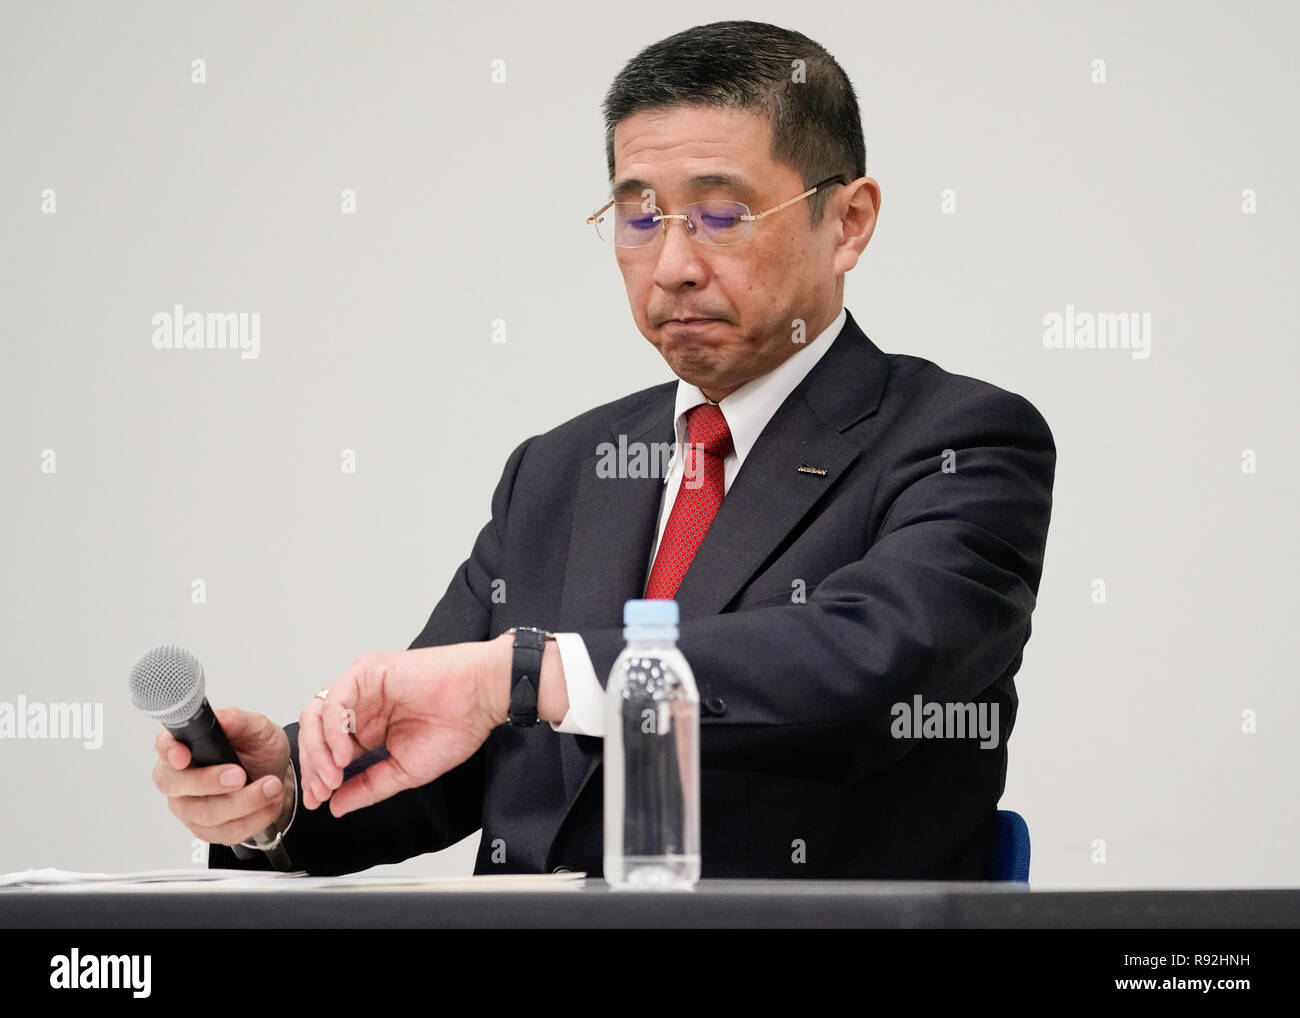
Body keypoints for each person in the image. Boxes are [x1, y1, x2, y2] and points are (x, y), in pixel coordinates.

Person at [152, 20, 1055, 879]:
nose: (673, 266)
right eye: (640, 218)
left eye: (722, 215)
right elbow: (436, 759)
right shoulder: (558, 469)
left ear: (848, 221)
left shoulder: (957, 438)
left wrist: (529, 675)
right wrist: (277, 797)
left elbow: (868, 662)